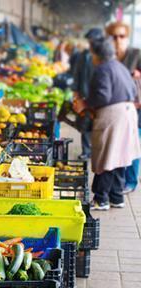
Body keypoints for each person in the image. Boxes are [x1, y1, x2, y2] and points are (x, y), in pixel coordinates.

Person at [73, 37, 141, 210]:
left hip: (113, 116)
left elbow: (103, 96)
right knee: (120, 156)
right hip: (128, 113)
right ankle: (116, 197)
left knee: (106, 156)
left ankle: (101, 199)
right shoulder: (120, 67)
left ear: (96, 55)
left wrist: (85, 104)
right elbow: (133, 91)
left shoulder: (102, 69)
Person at [106, 21, 141, 194]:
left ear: (127, 37)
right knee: (117, 146)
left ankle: (131, 181)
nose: (118, 40)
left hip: (135, 109)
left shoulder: (136, 54)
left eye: (122, 36)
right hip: (113, 110)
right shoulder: (108, 57)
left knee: (132, 146)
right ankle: (116, 184)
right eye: (114, 36)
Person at [72, 28, 104, 160]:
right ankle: (86, 150)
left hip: (98, 96)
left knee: (98, 124)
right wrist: (76, 92)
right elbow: (77, 73)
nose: (90, 43)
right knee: (85, 123)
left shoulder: (103, 56)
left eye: (92, 41)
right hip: (84, 94)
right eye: (89, 41)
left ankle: (97, 151)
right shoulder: (83, 55)